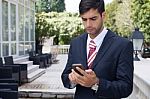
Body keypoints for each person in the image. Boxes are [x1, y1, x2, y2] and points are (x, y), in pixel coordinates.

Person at [61, 0, 134, 99]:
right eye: (84, 19)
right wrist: (71, 79)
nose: (88, 24)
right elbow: (65, 77)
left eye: (93, 18)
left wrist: (96, 83)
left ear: (103, 16)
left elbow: (126, 88)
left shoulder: (123, 45)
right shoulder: (76, 43)